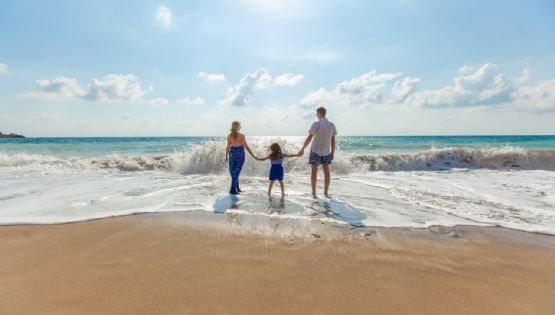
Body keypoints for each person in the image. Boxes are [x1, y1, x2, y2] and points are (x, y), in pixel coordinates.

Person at [298, 107, 337, 198]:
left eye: (316, 114)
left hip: (315, 150)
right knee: (326, 172)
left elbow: (309, 138)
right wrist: (332, 152)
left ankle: (314, 193)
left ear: (319, 113)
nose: (316, 115)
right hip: (326, 151)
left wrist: (303, 148)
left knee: (314, 172)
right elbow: (333, 140)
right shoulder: (332, 125)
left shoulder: (316, 124)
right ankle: (326, 193)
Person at [225, 121, 256, 194]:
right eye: (240, 126)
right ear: (238, 127)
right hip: (239, 153)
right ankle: (233, 189)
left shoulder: (229, 136)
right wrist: (252, 155)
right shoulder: (241, 136)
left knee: (234, 172)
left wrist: (226, 157)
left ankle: (236, 187)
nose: (241, 127)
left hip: (232, 153)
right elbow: (246, 146)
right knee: (236, 171)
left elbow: (228, 147)